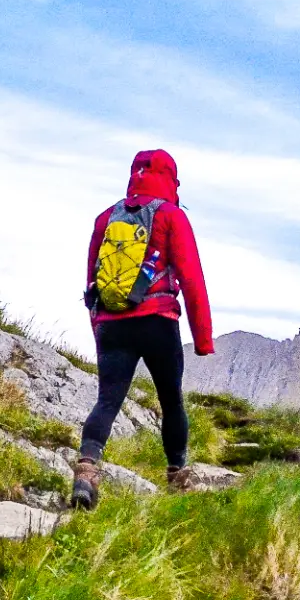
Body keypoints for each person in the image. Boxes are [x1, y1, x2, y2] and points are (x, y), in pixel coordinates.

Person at [73, 149, 213, 508]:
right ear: (170, 179)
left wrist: (98, 326)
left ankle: (87, 469)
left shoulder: (106, 217)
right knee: (171, 400)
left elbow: (92, 279)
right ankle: (176, 475)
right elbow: (192, 279)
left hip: (111, 323)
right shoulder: (171, 216)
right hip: (157, 321)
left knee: (108, 400)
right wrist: (202, 340)